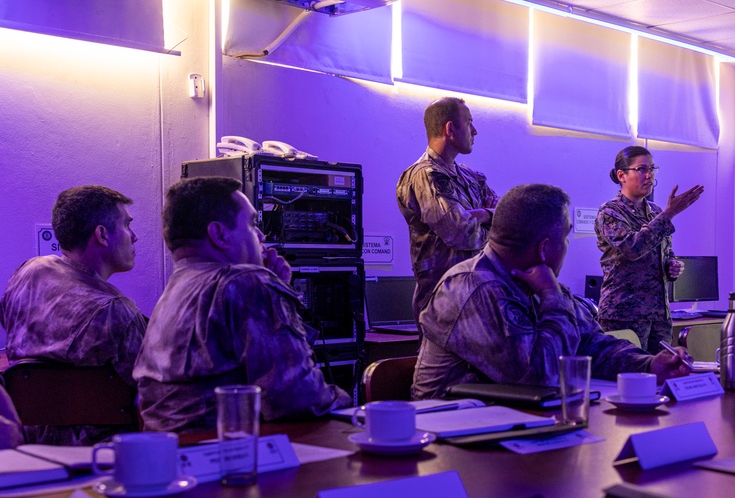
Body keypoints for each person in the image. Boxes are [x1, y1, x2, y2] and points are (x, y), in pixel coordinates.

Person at [411, 183, 691, 400]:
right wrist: (552, 296)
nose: (567, 246)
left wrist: (649, 365)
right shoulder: (473, 288)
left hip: (510, 428)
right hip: (452, 440)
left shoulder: (535, 281)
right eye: (566, 237)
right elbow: (541, 375)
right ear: (545, 248)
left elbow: (590, 344)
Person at [134, 177, 351, 433]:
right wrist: (351, 403)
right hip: (227, 458)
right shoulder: (247, 282)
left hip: (173, 459)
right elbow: (299, 399)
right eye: (252, 224)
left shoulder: (174, 292)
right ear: (219, 234)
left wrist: (277, 292)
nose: (261, 235)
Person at [0, 186, 146, 445]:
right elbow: (152, 392)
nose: (134, 237)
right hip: (99, 457)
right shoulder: (116, 311)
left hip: (29, 448)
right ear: (102, 234)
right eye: (126, 225)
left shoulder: (27, 273)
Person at [397, 97, 499, 323]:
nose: (475, 131)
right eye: (469, 122)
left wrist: (485, 215)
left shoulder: (472, 177)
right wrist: (492, 227)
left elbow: (507, 216)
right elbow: (460, 233)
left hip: (477, 296)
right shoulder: (424, 176)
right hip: (443, 303)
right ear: (450, 129)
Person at [595, 146, 704, 353]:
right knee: (630, 378)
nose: (649, 175)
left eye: (652, 168)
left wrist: (672, 266)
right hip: (624, 315)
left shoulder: (655, 211)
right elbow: (632, 248)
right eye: (641, 169)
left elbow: (665, 252)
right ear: (622, 175)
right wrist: (669, 214)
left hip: (658, 315)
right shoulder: (609, 212)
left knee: (661, 374)